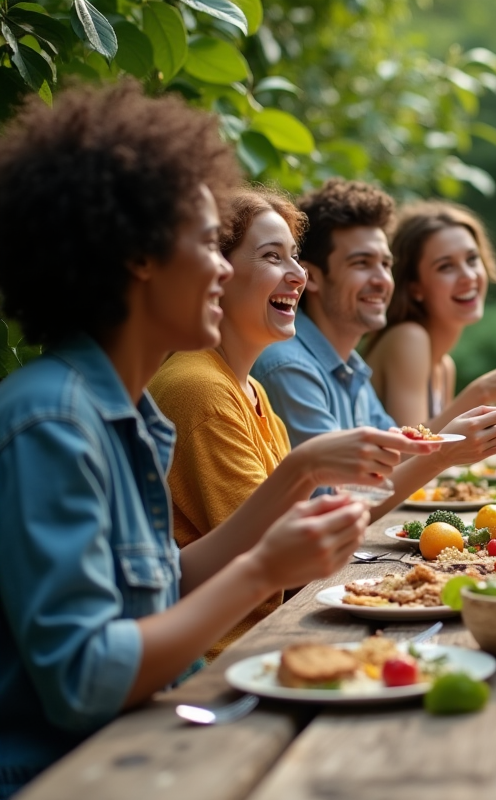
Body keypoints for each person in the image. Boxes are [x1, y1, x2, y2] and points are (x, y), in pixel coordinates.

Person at [0, 83, 370, 798]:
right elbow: (85, 678)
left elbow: (166, 586)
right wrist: (263, 571)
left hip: (150, 745)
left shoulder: (126, 415)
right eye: (208, 243)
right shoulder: (51, 422)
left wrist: (278, 528)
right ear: (138, 256)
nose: (227, 268)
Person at [148, 188, 438, 659]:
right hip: (227, 658)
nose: (297, 274)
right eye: (271, 256)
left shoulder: (250, 389)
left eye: (295, 257)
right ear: (216, 273)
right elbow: (277, 552)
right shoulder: (200, 390)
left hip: (267, 636)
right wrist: (309, 472)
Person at [251, 180, 496, 505]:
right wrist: (445, 452)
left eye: (386, 264)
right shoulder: (290, 366)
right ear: (313, 277)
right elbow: (338, 502)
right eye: (361, 263)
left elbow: (398, 460)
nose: (381, 280)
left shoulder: (351, 368)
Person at [362, 200, 496, 429]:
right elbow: (408, 454)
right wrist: (482, 392)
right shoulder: (408, 338)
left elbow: (441, 457)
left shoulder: (444, 365)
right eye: (445, 266)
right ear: (414, 287)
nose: (468, 276)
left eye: (472, 259)